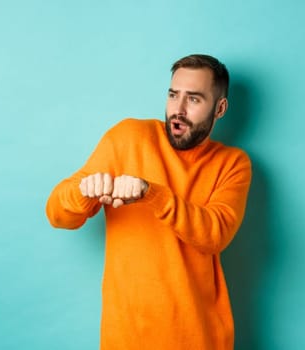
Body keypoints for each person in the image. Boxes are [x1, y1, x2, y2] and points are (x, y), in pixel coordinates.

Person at [45, 54, 252, 349]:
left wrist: (151, 193)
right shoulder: (127, 138)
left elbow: (215, 234)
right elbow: (57, 214)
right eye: (173, 95)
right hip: (126, 336)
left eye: (193, 100)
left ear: (220, 108)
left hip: (198, 337)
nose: (177, 110)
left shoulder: (233, 164)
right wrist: (83, 191)